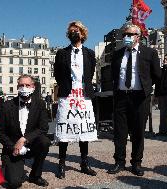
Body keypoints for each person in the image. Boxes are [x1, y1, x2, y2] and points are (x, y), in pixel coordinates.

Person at [108, 24, 161, 176]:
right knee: (120, 132)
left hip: (140, 98)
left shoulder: (149, 53)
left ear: (138, 36)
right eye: (125, 34)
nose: (127, 37)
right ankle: (119, 161)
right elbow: (113, 74)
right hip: (121, 97)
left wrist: (148, 88)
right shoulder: (117, 54)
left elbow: (157, 74)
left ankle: (136, 163)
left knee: (138, 132)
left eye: (130, 34)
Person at [54, 21, 97, 179]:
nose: (73, 33)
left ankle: (84, 163)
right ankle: (62, 163)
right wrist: (66, 86)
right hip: (67, 94)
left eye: (76, 30)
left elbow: (90, 72)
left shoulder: (90, 53)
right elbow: (57, 73)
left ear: (82, 33)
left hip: (84, 94)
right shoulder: (61, 53)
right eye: (71, 31)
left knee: (83, 129)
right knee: (65, 128)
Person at [0, 74, 50, 188]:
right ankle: (12, 168)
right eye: (21, 85)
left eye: (27, 85)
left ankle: (35, 176)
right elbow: (0, 132)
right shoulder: (6, 106)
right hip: (13, 148)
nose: (24, 88)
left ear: (33, 87)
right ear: (17, 87)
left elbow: (43, 128)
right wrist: (13, 147)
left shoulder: (40, 104)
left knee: (44, 142)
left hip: (31, 144)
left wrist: (24, 139)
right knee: (14, 183)